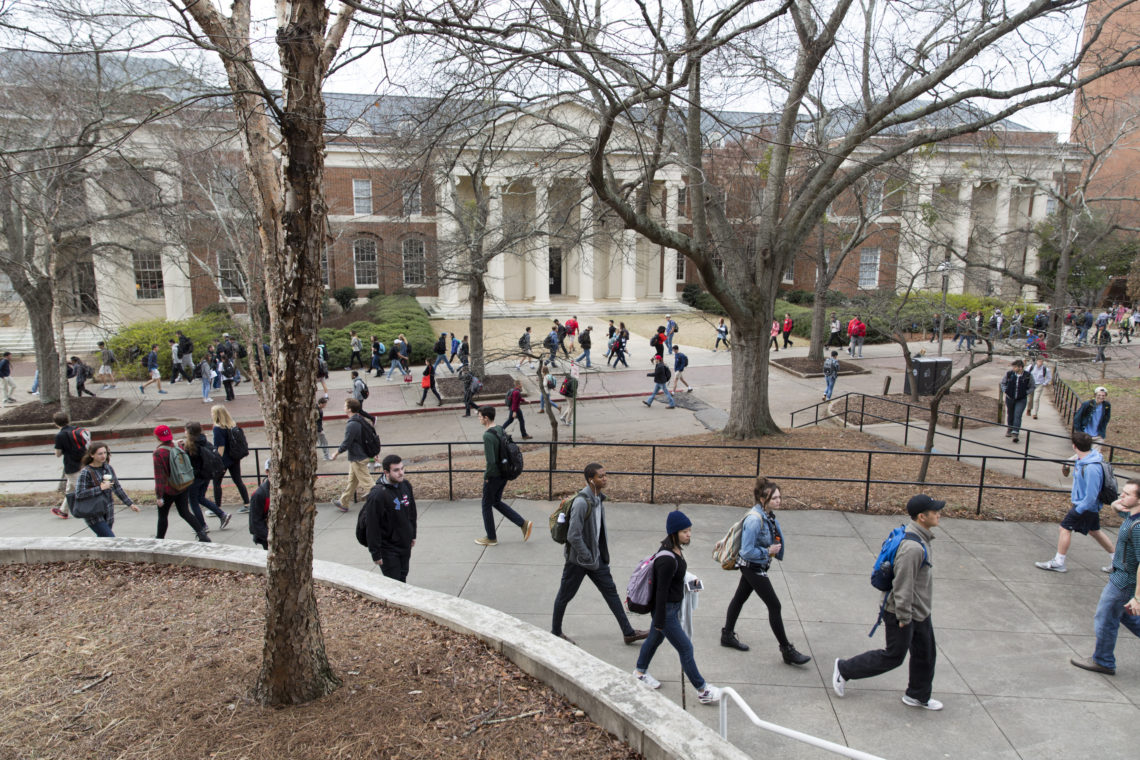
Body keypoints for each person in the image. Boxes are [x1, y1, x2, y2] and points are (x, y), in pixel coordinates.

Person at [833, 494, 943, 710]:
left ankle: (917, 695)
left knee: (926, 653)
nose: (939, 514)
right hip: (901, 611)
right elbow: (903, 585)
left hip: (918, 610)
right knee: (893, 656)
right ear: (922, 516)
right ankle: (844, 669)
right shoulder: (913, 548)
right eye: (935, 511)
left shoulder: (921, 538)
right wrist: (903, 617)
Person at [551, 462, 649, 646]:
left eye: (605, 475)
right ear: (591, 480)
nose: (605, 479)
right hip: (579, 561)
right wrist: (587, 556)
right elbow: (573, 535)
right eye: (600, 476)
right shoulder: (581, 503)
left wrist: (597, 555)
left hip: (597, 559)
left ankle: (628, 633)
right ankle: (555, 632)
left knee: (611, 592)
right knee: (564, 595)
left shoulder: (598, 499)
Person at [632, 509, 722, 705]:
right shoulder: (666, 559)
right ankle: (702, 690)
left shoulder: (675, 550)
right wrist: (660, 621)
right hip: (666, 612)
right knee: (686, 648)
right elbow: (661, 592)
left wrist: (690, 581)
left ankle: (639, 673)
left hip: (670, 609)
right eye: (684, 532)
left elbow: (676, 578)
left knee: (653, 641)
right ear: (674, 533)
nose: (688, 534)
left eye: (689, 530)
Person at [720, 477, 812, 665]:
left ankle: (727, 635)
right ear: (763, 499)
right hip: (752, 567)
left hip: (755, 566)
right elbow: (746, 550)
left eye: (779, 497)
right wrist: (768, 551)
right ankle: (786, 649)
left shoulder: (767, 513)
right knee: (775, 606)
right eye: (774, 498)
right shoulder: (755, 520)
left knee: (739, 598)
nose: (778, 501)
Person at [1069, 479, 1140, 675]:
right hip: (1121, 578)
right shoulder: (1132, 514)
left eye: (1127, 494)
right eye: (1122, 492)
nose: (1121, 496)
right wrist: (1120, 502)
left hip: (1124, 582)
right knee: (1127, 617)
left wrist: (1138, 597)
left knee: (1105, 618)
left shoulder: (1139, 526)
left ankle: (1103, 661)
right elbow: (1117, 507)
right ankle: (1103, 659)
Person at [1036, 431, 1115, 573]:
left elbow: (1091, 495)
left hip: (1084, 506)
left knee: (1065, 528)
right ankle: (1117, 561)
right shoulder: (1084, 460)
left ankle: (1059, 562)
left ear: (1074, 446)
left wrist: (1078, 509)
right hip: (1086, 505)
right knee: (1094, 531)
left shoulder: (1091, 467)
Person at [475, 405, 533, 547]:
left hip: (494, 475)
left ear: (486, 418)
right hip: (504, 473)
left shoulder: (487, 435)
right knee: (495, 501)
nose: (478, 418)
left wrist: (486, 476)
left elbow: (491, 461)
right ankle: (523, 523)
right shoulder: (500, 429)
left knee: (486, 505)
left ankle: (491, 537)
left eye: (479, 416)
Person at [361, 454, 418, 582]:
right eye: (396, 470)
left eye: (402, 468)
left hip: (404, 543)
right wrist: (375, 552)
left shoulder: (406, 485)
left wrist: (412, 534)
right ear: (386, 472)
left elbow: (412, 512)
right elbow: (372, 525)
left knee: (403, 577)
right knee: (394, 583)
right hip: (388, 548)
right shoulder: (378, 495)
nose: (401, 473)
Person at [152, 424, 211, 542]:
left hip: (168, 489)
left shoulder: (158, 453)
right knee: (185, 512)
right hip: (183, 485)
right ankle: (202, 535)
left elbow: (159, 478)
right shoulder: (178, 445)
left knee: (163, 516)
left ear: (157, 437)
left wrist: (159, 496)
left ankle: (159, 540)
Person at [73, 442, 138, 537]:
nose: (103, 456)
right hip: (93, 512)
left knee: (104, 542)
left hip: (108, 510)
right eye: (100, 454)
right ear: (92, 455)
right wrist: (100, 488)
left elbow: (117, 487)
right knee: (110, 538)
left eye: (105, 453)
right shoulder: (86, 472)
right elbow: (79, 493)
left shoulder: (107, 468)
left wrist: (130, 504)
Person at [329, 397, 376, 513]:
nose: (343, 407)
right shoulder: (360, 420)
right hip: (359, 456)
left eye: (345, 406)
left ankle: (384, 503)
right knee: (352, 481)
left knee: (368, 484)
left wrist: (336, 453)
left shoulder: (352, 424)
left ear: (349, 409)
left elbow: (347, 442)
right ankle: (343, 502)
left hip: (358, 458)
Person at [182, 421, 231, 530]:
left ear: (189, 432)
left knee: (193, 502)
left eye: (185, 430)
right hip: (206, 475)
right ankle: (222, 515)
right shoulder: (203, 440)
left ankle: (202, 526)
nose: (184, 432)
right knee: (200, 497)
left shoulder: (190, 446)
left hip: (195, 477)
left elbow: (187, 462)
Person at [210, 404, 251, 513]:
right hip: (234, 457)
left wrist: (217, 461)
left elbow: (221, 447)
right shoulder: (232, 425)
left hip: (224, 460)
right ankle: (247, 503)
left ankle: (217, 507)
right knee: (238, 481)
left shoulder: (218, 428)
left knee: (217, 483)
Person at [53, 411, 90, 519]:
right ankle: (63, 511)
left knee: (81, 489)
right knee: (70, 490)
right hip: (82, 462)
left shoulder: (60, 435)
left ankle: (96, 508)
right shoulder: (76, 430)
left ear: (55, 423)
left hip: (72, 466)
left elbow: (58, 454)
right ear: (68, 420)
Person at [1000, 359, 1035, 444]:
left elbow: (1032, 386)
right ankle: (1010, 428)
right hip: (1010, 398)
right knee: (1010, 414)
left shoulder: (1028, 375)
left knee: (1018, 415)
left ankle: (1015, 432)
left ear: (1020, 367)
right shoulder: (1009, 374)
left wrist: (1025, 393)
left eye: (1015, 367)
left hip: (1021, 399)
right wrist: (1006, 390)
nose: (1013, 368)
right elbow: (1003, 383)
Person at [249, 459, 271, 549]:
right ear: (267, 471)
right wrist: (270, 538)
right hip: (268, 537)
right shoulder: (259, 494)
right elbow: (255, 522)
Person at [316, 395, 331, 459]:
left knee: (320, 442)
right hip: (318, 430)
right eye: (324, 404)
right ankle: (326, 456)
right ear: (321, 404)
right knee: (324, 442)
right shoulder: (319, 411)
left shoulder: (316, 408)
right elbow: (318, 422)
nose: (325, 405)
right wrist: (320, 430)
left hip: (314, 429)